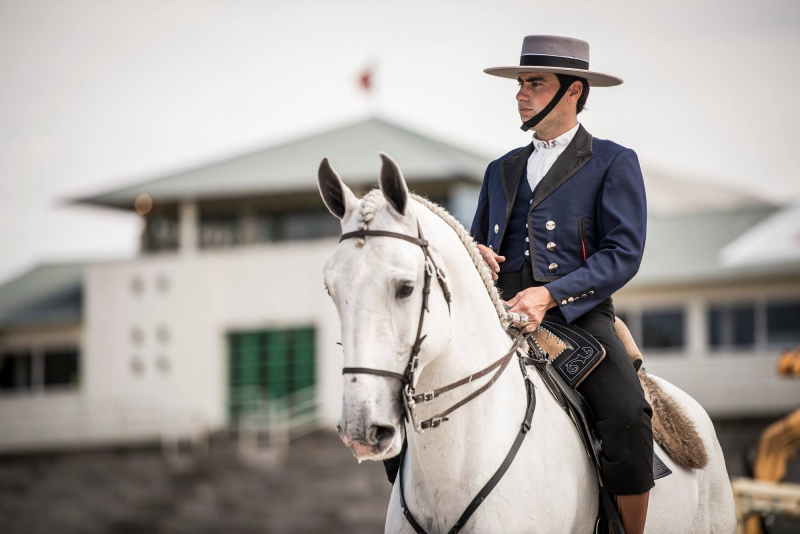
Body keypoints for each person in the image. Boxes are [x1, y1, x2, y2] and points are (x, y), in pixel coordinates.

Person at [472, 35, 653, 534]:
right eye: (520, 84)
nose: (521, 94)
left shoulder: (614, 161)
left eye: (535, 83)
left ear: (573, 91)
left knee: (628, 417)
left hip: (576, 316)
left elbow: (623, 254)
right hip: (501, 312)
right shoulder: (500, 169)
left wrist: (549, 293)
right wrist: (476, 256)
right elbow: (475, 241)